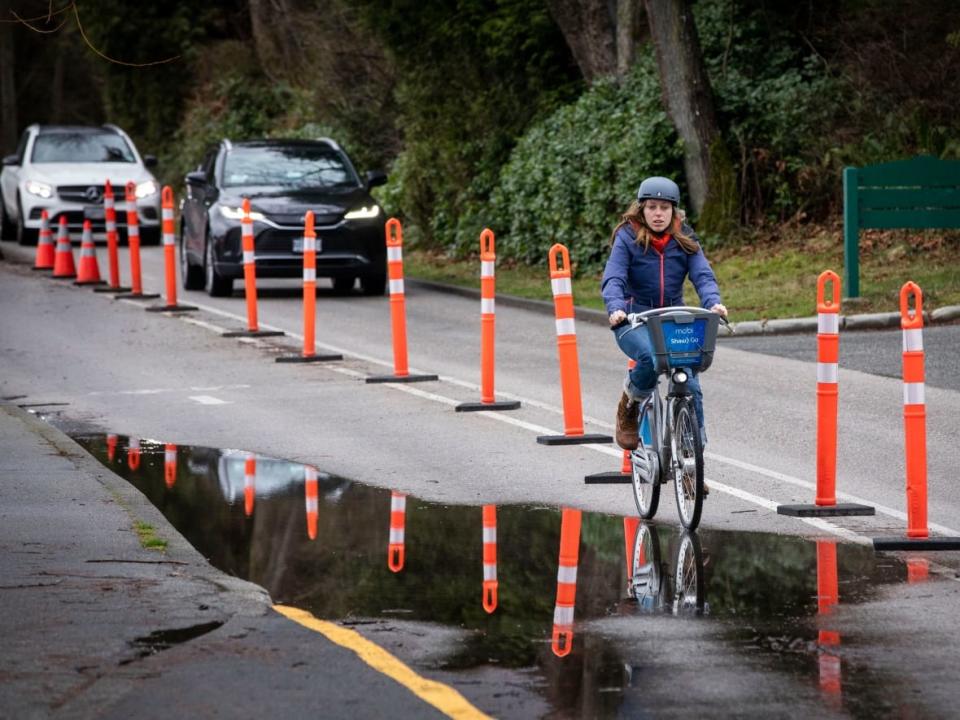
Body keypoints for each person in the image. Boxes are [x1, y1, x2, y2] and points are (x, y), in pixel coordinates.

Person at [601, 176, 727, 452]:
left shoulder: (685, 238)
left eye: (664, 208)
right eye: (652, 207)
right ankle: (630, 402)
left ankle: (693, 462)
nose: (658, 214)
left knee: (690, 385)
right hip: (633, 319)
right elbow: (614, 278)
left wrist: (713, 303)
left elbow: (703, 275)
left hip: (671, 319)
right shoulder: (627, 237)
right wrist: (616, 308)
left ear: (674, 211)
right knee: (650, 357)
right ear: (641, 209)